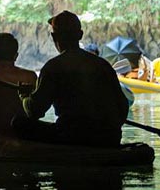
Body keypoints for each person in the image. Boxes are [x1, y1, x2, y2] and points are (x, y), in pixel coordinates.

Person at [12, 11, 129, 147]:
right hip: (109, 138)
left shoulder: (53, 67)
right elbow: (122, 107)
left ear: (53, 36)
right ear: (80, 35)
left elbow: (35, 112)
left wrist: (25, 96)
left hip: (71, 137)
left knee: (19, 123)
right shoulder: (102, 65)